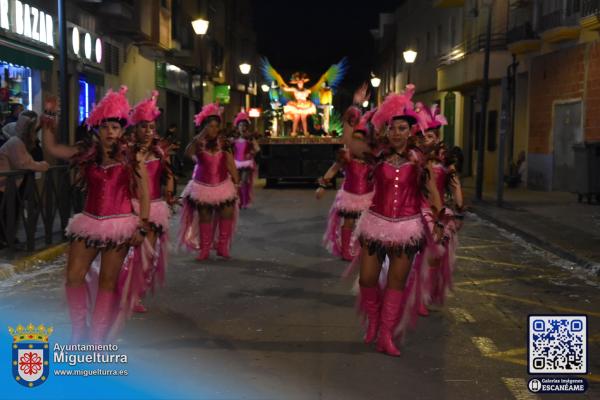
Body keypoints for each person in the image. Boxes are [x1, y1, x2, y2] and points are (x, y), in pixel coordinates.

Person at [41, 87, 150, 344]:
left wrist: (141, 227)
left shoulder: (132, 157)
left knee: (107, 282)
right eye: (106, 127)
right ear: (97, 130)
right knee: (73, 277)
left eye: (116, 127)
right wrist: (48, 117)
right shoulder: (85, 154)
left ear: (122, 131)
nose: (111, 132)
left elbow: (144, 193)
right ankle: (79, 331)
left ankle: (97, 337)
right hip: (89, 222)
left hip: (120, 225)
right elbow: (52, 149)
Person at [348, 87, 443, 356]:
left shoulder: (420, 160)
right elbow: (351, 144)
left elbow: (432, 190)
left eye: (403, 128)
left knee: (396, 282)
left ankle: (386, 335)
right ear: (387, 131)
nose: (397, 132)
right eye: (393, 128)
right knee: (367, 278)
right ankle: (374, 321)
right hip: (376, 223)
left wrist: (440, 217)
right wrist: (355, 111)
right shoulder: (376, 156)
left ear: (410, 131)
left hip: (407, 226)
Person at [414, 102, 464, 315]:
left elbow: (455, 185)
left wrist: (460, 210)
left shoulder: (446, 163)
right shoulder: (414, 160)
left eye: (431, 136)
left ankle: (427, 294)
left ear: (438, 139)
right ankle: (417, 297)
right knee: (423, 256)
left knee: (436, 257)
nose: (427, 140)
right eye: (424, 137)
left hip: (441, 212)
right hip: (419, 212)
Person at [128, 90, 176, 313]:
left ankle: (138, 293)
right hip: (129, 208)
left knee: (148, 253)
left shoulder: (159, 151)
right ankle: (123, 289)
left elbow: (168, 174)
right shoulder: (126, 153)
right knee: (129, 254)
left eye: (151, 127)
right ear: (134, 129)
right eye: (143, 127)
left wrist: (169, 189)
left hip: (154, 207)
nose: (148, 131)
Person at [317, 89, 376, 261]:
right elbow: (334, 169)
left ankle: (361, 247)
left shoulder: (371, 159)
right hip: (350, 195)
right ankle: (345, 251)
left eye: (362, 140)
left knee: (365, 223)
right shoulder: (347, 156)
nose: (358, 143)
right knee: (349, 221)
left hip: (368, 196)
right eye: (355, 139)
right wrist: (322, 185)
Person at [179, 103, 240, 260]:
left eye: (215, 126)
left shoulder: (224, 142)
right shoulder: (198, 142)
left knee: (226, 214)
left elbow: (230, 163)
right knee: (205, 216)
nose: (213, 129)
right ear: (204, 127)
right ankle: (204, 249)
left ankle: (222, 247)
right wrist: (199, 137)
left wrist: (236, 182)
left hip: (223, 185)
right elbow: (187, 153)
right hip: (202, 186)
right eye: (210, 126)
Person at [0, 111, 50, 247]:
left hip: (9, 185)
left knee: (11, 212)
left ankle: (7, 237)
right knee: (7, 212)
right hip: (5, 184)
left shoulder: (18, 142)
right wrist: (42, 165)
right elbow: (24, 163)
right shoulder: (15, 142)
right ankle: (6, 238)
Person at [232, 111, 260, 209]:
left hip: (246, 163)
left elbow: (257, 148)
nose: (242, 127)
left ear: (246, 127)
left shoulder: (250, 137)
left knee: (243, 181)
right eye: (240, 125)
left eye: (244, 126)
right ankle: (238, 202)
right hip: (236, 162)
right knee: (237, 182)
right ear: (237, 127)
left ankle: (244, 202)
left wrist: (251, 153)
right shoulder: (234, 138)